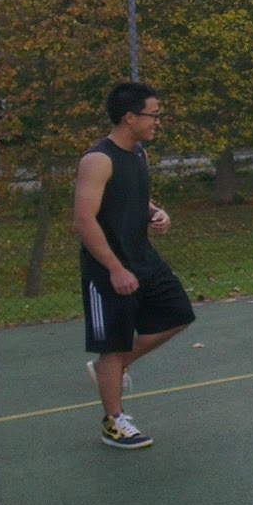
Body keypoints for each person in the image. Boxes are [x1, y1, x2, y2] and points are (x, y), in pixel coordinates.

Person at [75, 82, 196, 449]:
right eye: (153, 114)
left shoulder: (138, 154)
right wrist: (115, 269)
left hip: (144, 258)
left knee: (178, 313)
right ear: (130, 117)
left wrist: (157, 212)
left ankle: (110, 369)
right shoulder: (98, 160)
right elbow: (84, 220)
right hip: (107, 268)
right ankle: (114, 422)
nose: (157, 121)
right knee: (113, 345)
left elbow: (134, 198)